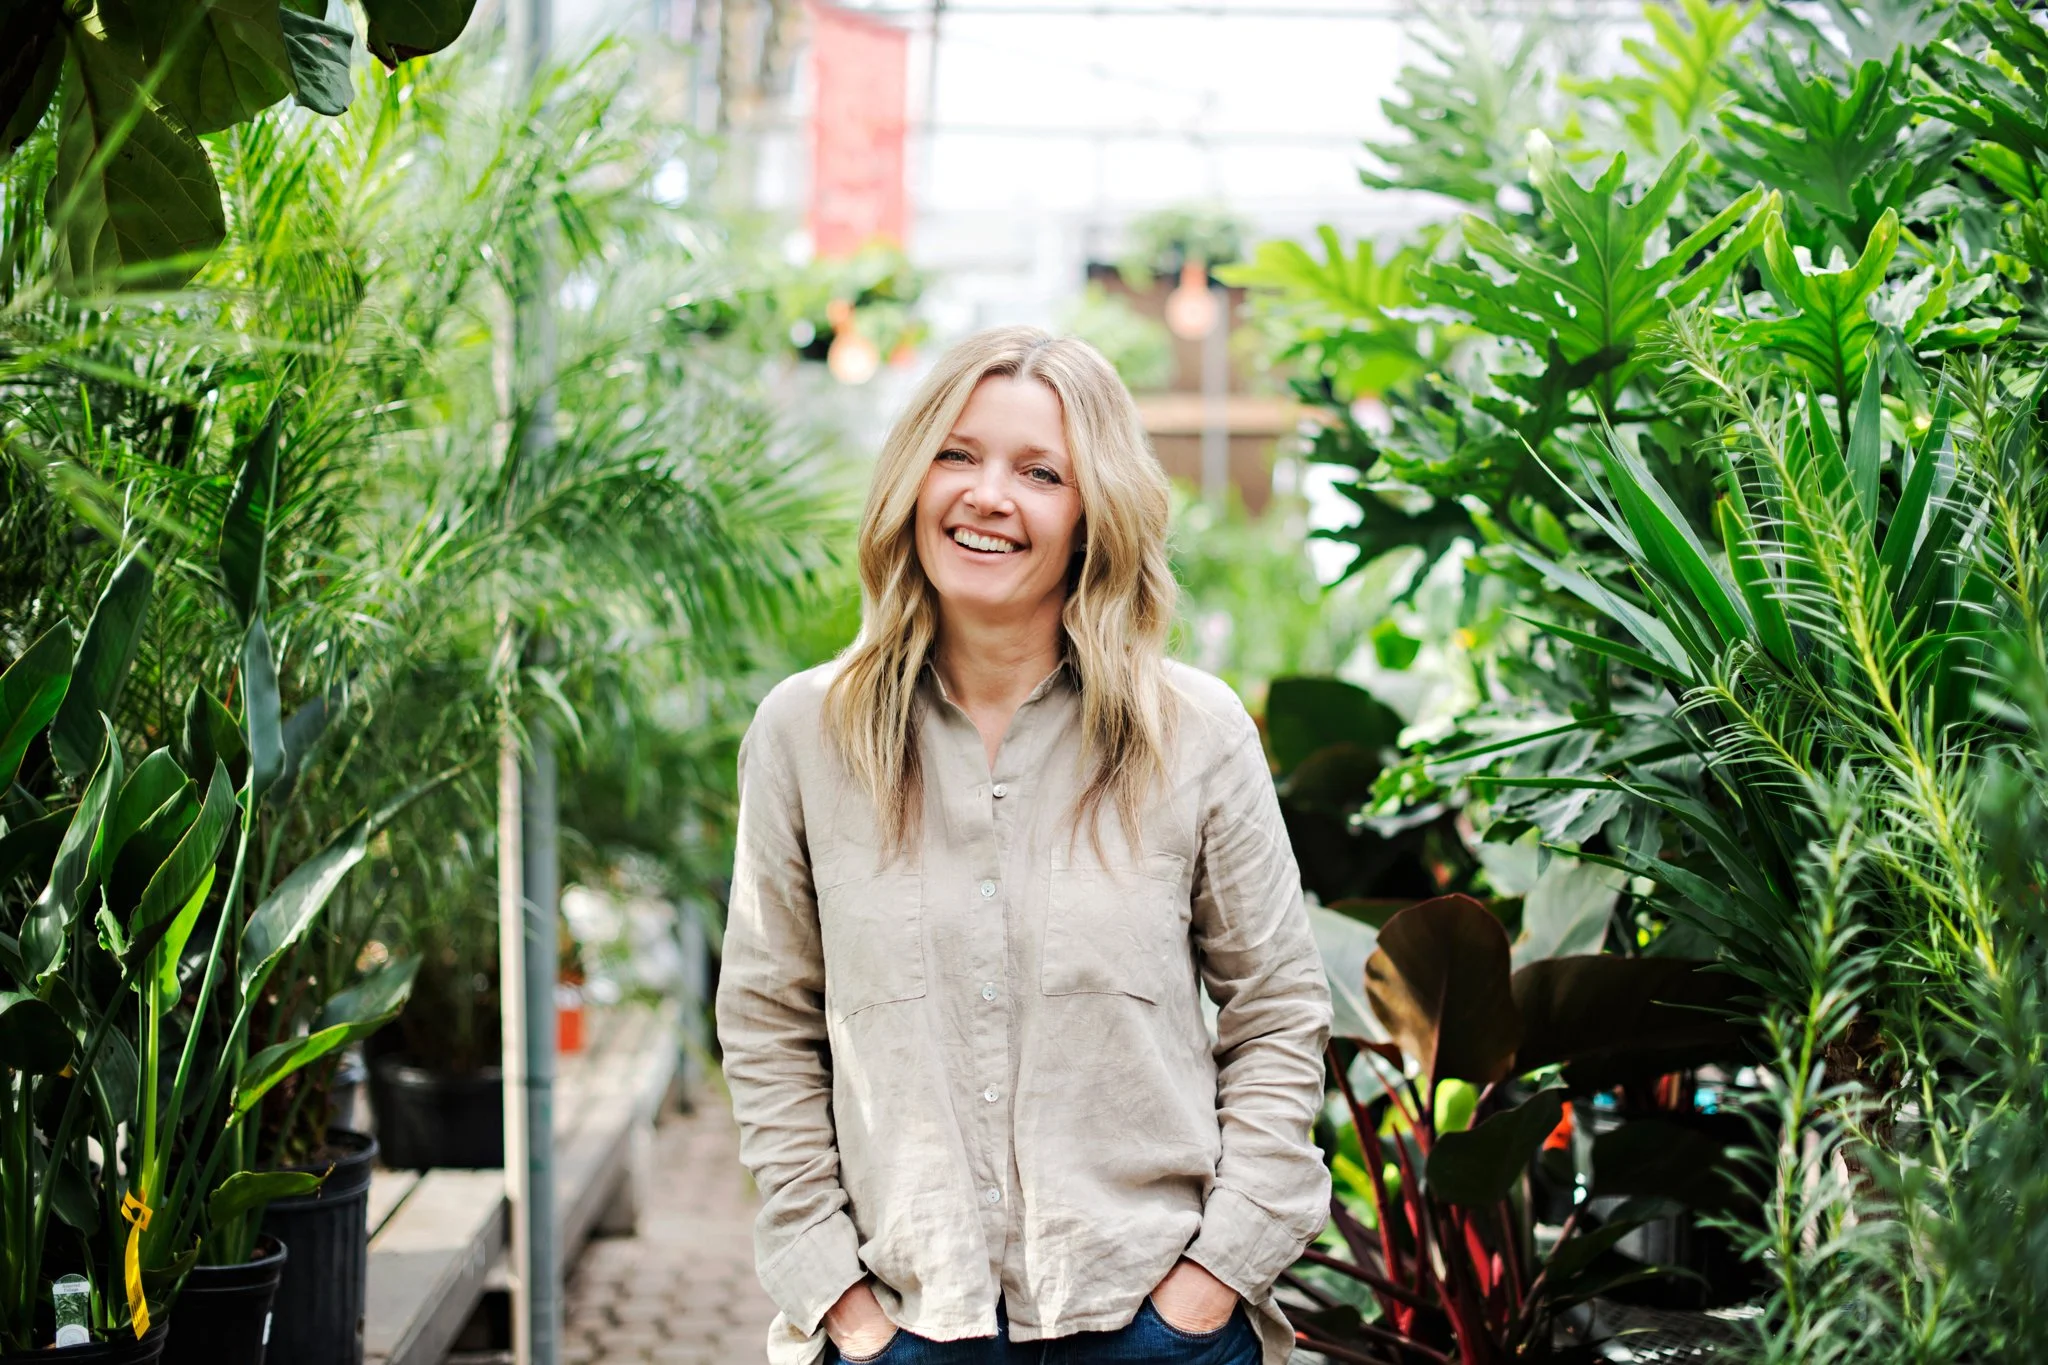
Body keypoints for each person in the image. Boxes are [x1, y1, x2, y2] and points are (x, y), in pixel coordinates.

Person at [715, 326, 1331, 1365]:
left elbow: (1276, 1009)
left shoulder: (1195, 734)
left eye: (1039, 471)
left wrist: (1211, 1280)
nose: (986, 495)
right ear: (911, 478)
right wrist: (842, 1305)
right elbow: (768, 1024)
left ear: (1093, 516)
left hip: (1147, 1320)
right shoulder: (803, 733)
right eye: (956, 454)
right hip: (906, 1321)